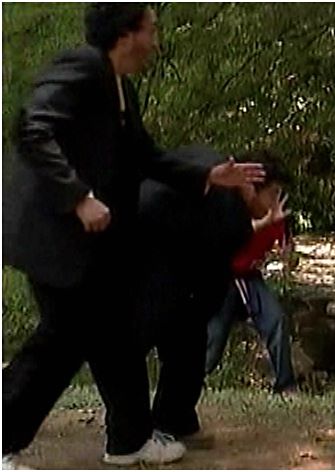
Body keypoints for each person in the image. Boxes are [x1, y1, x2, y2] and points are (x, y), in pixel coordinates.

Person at [2, 4, 263, 468]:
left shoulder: (121, 88)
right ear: (126, 34)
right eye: (151, 30)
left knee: (112, 333)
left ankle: (130, 440)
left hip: (88, 243)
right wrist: (78, 197)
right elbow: (32, 128)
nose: (156, 42)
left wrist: (208, 175)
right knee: (60, 343)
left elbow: (145, 157)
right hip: (53, 235)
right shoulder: (84, 67)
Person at [136, 147, 294, 442]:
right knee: (143, 341)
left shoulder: (222, 182)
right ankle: (131, 434)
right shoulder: (227, 203)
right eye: (273, 193)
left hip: (165, 257)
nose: (275, 202)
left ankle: (175, 420)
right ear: (254, 184)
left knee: (188, 339)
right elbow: (212, 277)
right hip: (144, 254)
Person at [205, 160, 297, 395]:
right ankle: (192, 382)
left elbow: (287, 250)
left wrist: (288, 255)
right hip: (224, 276)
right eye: (272, 193)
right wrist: (264, 223)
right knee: (215, 336)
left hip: (249, 277)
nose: (275, 198)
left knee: (276, 320)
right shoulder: (233, 208)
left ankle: (286, 385)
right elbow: (232, 236)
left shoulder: (276, 216)